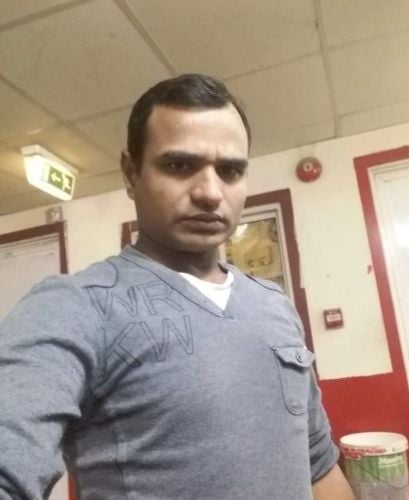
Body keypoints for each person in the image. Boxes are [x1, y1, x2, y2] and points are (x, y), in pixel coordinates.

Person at [0, 74, 354, 499]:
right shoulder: (75, 307)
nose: (209, 193)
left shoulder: (273, 304)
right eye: (180, 166)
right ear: (131, 173)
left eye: (230, 171)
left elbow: (317, 463)